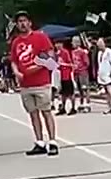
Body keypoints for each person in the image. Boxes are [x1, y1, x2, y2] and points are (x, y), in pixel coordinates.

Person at [9, 10, 59, 156]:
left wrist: (37, 66)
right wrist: (16, 72)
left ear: (30, 22)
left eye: (25, 20)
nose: (22, 24)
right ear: (17, 25)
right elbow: (13, 60)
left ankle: (52, 141)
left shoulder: (40, 37)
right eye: (20, 21)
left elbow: (50, 57)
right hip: (25, 84)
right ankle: (39, 142)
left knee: (46, 111)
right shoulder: (16, 42)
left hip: (41, 82)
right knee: (33, 113)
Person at [96, 37, 111, 113]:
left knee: (109, 90)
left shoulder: (109, 51)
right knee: (106, 92)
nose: (99, 45)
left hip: (108, 74)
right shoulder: (99, 53)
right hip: (102, 74)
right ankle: (109, 107)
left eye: (101, 43)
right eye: (98, 43)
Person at [56, 39, 76, 115]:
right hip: (61, 75)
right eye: (56, 44)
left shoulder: (65, 52)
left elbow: (70, 64)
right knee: (62, 93)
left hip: (67, 75)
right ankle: (63, 107)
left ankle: (73, 107)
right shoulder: (57, 53)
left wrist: (62, 64)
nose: (57, 46)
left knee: (70, 93)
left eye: (59, 44)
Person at [72, 37, 91, 112]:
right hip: (76, 72)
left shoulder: (82, 52)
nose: (72, 44)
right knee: (79, 89)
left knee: (84, 88)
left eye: (73, 42)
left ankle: (87, 104)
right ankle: (81, 103)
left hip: (82, 72)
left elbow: (87, 63)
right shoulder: (73, 52)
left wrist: (81, 68)